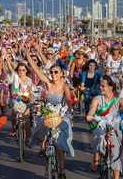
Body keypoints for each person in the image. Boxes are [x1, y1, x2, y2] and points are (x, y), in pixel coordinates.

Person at [26, 47, 74, 179]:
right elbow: (35, 69)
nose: (53, 74)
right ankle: (43, 146)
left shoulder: (64, 86)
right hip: (48, 112)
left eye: (56, 72)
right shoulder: (48, 83)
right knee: (40, 123)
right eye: (51, 72)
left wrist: (68, 111)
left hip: (60, 114)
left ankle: (62, 169)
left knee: (60, 142)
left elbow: (69, 100)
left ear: (61, 73)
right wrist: (27, 53)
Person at [86, 75, 123, 179]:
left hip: (113, 127)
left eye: (103, 86)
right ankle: (97, 156)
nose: (101, 88)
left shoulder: (119, 100)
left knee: (116, 154)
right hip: (100, 126)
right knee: (100, 136)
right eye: (100, 86)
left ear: (111, 87)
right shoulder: (97, 99)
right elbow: (92, 110)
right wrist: (90, 115)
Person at [6, 62, 34, 147]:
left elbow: (30, 91)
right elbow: (10, 68)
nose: (21, 72)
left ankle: (28, 138)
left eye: (23, 70)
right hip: (16, 97)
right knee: (15, 113)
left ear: (26, 71)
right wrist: (6, 59)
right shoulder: (15, 76)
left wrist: (32, 99)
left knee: (26, 121)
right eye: (19, 70)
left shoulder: (29, 80)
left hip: (25, 98)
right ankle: (14, 128)